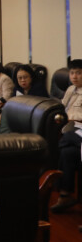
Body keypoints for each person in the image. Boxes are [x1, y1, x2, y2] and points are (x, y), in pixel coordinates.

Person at [50, 59, 82, 213]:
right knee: (66, 152)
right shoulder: (70, 89)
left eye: (79, 73)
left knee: (65, 140)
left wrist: (68, 118)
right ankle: (64, 194)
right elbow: (62, 107)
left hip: (78, 129)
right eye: (72, 73)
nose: (74, 76)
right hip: (72, 131)